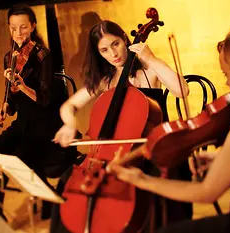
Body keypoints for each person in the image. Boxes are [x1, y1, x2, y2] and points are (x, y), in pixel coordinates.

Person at [107, 24, 230, 233]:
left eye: (226, 73)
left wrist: (141, 180)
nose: (227, 82)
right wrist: (221, 159)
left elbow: (206, 193)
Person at [51, 20, 191, 232]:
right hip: (114, 154)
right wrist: (70, 125)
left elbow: (182, 90)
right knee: (66, 180)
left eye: (115, 44)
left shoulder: (148, 71)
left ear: (125, 39)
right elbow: (68, 107)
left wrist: (152, 59)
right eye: (104, 50)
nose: (113, 54)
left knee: (147, 181)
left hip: (152, 150)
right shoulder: (105, 80)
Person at [0, 5, 76, 221]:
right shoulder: (9, 57)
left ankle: (49, 195)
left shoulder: (42, 55)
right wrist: (3, 110)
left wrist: (23, 85)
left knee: (22, 153)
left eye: (23, 28)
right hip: (23, 122)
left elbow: (45, 99)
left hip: (44, 122)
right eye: (13, 28)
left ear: (33, 26)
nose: (18, 33)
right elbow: (10, 99)